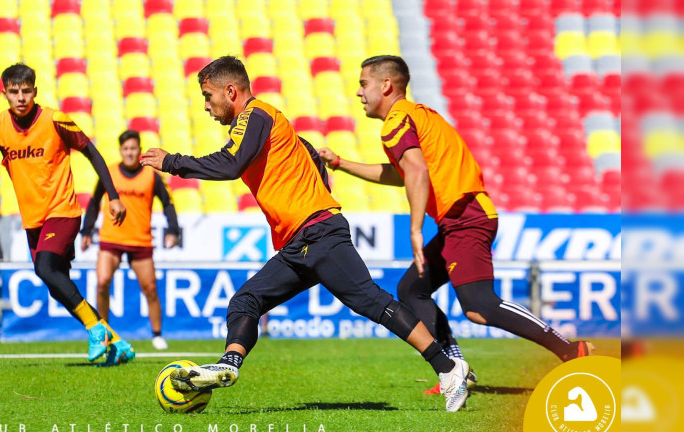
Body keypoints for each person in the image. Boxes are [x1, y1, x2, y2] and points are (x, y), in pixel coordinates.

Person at [140, 56, 470, 412]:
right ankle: (229, 365)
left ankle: (449, 369)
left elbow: (231, 164)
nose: (206, 106)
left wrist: (173, 162)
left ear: (230, 91)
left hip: (318, 234)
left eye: (208, 96)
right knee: (245, 301)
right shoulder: (266, 122)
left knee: (373, 302)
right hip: (301, 242)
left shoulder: (255, 115)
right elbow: (308, 153)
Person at [317, 55, 594, 392]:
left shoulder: (396, 122)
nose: (359, 92)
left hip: (466, 217)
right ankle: (454, 367)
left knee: (479, 306)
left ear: (386, 85)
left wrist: (416, 230)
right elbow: (403, 172)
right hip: (461, 218)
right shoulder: (414, 117)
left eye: (364, 84)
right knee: (411, 289)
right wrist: (342, 163)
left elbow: (415, 171)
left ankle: (572, 350)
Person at [0, 63, 135, 366]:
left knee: (46, 269)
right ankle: (115, 341)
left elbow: (93, 153)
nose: (20, 97)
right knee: (58, 285)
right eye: (13, 92)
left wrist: (113, 197)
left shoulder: (55, 120)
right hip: (33, 219)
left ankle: (96, 329)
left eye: (25, 91)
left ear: (35, 91)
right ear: (5, 93)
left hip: (62, 211)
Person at [80, 129, 181, 350]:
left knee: (151, 288)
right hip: (111, 238)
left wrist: (173, 230)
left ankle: (156, 334)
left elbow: (168, 203)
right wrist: (86, 231)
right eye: (125, 148)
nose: (129, 152)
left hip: (140, 240)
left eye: (133, 148)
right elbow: (95, 202)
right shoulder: (110, 173)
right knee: (102, 282)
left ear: (139, 150)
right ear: (121, 150)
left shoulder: (151, 175)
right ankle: (103, 333)